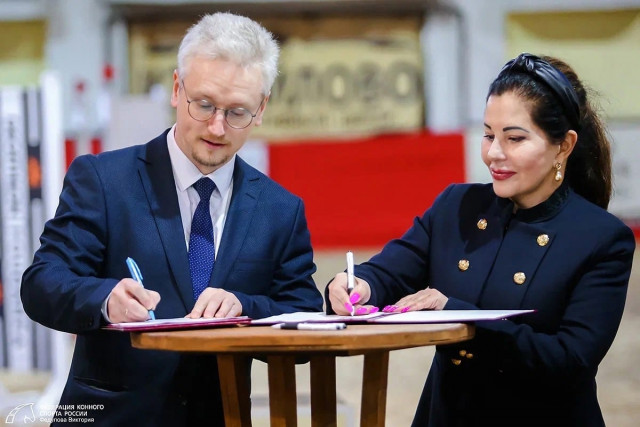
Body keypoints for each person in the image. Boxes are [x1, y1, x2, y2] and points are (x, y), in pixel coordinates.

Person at [21, 12, 323, 426]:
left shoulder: (280, 209)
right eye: (205, 105)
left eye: (237, 112)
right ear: (177, 89)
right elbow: (41, 284)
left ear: (262, 108)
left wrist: (245, 307)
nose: (217, 127)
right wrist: (106, 299)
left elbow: (305, 315)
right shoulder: (105, 181)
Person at [327, 53, 634, 426]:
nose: (494, 154)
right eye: (489, 135)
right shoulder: (457, 205)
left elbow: (570, 360)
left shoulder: (602, 238)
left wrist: (456, 314)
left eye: (515, 138)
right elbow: (389, 273)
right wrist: (356, 284)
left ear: (564, 146)